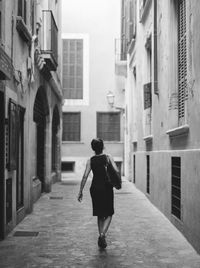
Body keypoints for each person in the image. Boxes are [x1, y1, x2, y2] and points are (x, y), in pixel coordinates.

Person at [77, 138, 119, 249]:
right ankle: (102, 235)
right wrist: (117, 182)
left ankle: (101, 237)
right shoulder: (108, 157)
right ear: (103, 146)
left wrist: (80, 191)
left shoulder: (90, 160)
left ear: (93, 148)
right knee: (109, 213)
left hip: (95, 188)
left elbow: (85, 176)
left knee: (100, 213)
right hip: (106, 187)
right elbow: (117, 171)